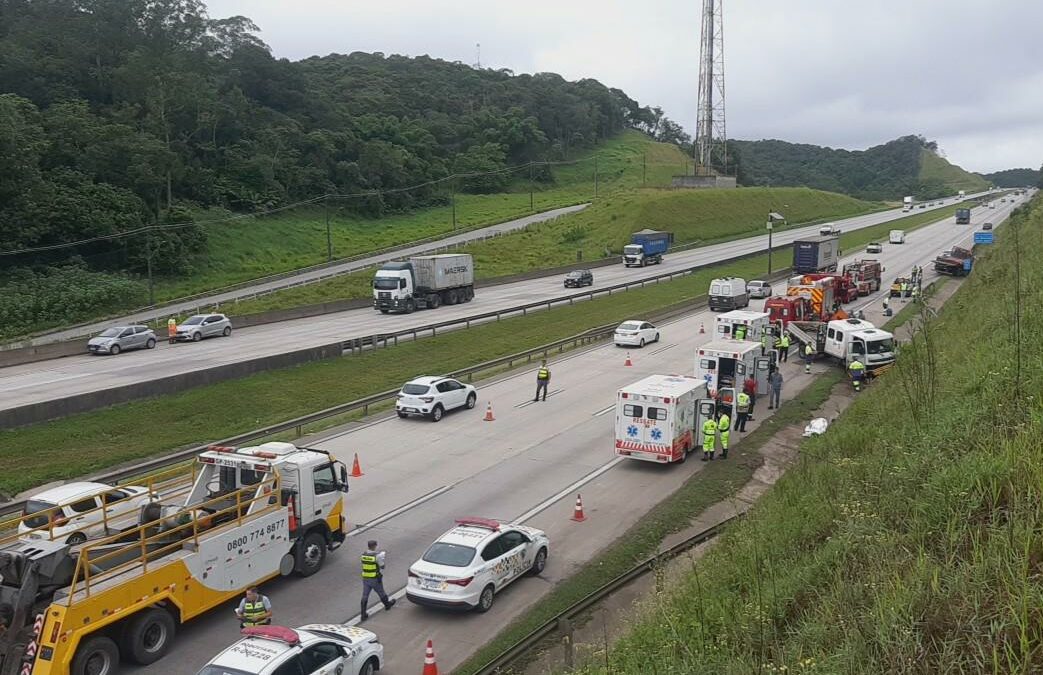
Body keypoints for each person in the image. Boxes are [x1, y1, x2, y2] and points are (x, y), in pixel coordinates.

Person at [360, 540, 396, 620]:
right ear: (374, 546)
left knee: (365, 595)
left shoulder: (363, 555)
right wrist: (382, 558)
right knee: (381, 592)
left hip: (365, 578)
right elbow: (382, 566)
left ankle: (363, 614)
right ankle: (387, 605)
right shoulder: (377, 556)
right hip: (375, 578)